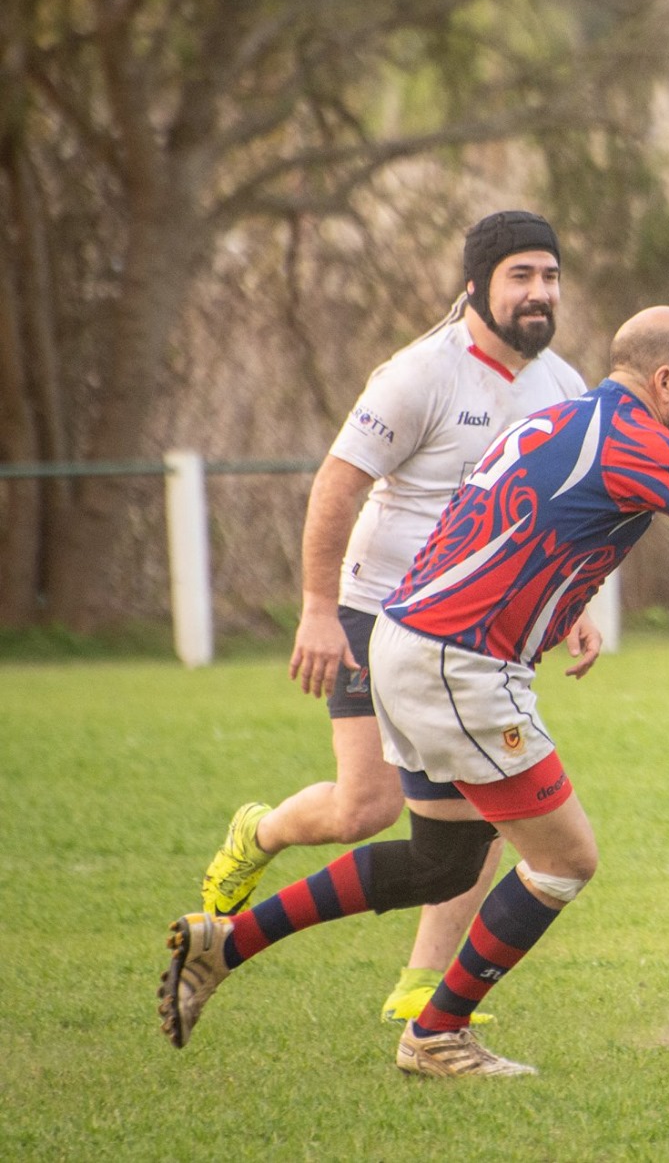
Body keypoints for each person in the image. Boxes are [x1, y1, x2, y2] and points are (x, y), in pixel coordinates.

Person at [159, 307, 669, 1077]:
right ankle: (437, 1033)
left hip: (409, 641)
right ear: (663, 380)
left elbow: (511, 523)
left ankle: (225, 943)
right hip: (458, 663)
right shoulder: (636, 439)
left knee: (442, 862)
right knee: (564, 858)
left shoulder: (562, 417)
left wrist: (562, 605)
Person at [197, 210, 598, 1024]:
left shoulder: (565, 385)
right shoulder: (419, 375)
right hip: (376, 613)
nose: (539, 293)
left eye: (550, 276)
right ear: (476, 285)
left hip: (478, 635)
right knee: (363, 810)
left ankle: (420, 983)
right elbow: (338, 485)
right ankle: (262, 832)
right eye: (521, 275)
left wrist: (573, 606)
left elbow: (561, 515)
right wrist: (317, 609)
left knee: (488, 808)